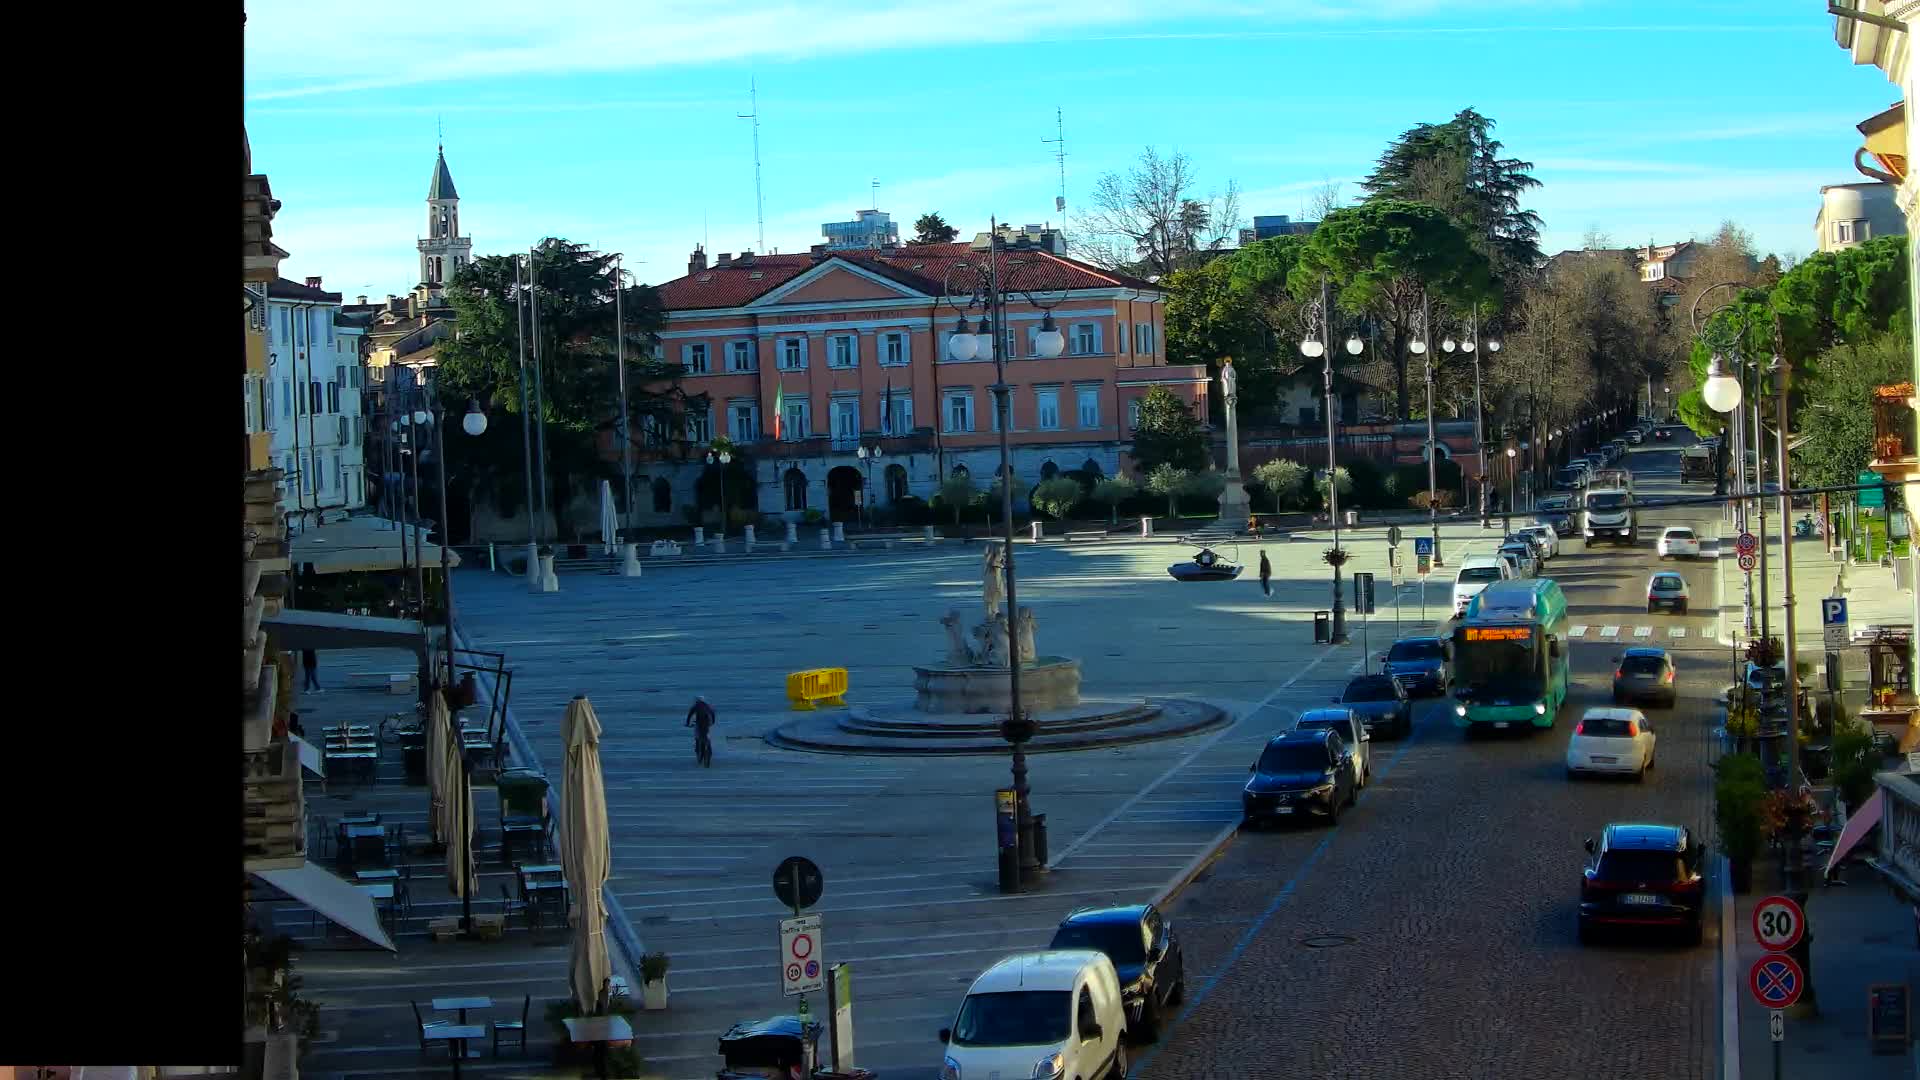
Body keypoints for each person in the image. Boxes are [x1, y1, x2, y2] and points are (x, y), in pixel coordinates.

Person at [686, 695, 716, 767]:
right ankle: (709, 750)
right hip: (707, 724)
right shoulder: (707, 706)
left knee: (697, 737)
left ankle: (698, 748)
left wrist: (687, 723)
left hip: (699, 725)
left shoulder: (695, 706)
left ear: (697, 701)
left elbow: (690, 715)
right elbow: (713, 714)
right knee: (708, 737)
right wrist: (713, 722)